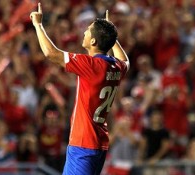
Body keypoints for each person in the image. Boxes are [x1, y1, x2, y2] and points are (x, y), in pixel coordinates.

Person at [30, 3, 129, 175]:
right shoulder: (116, 67)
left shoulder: (91, 65)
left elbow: (51, 53)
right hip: (98, 142)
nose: (84, 32)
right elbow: (125, 60)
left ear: (93, 41)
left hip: (83, 144)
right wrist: (112, 39)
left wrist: (38, 25)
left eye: (88, 30)